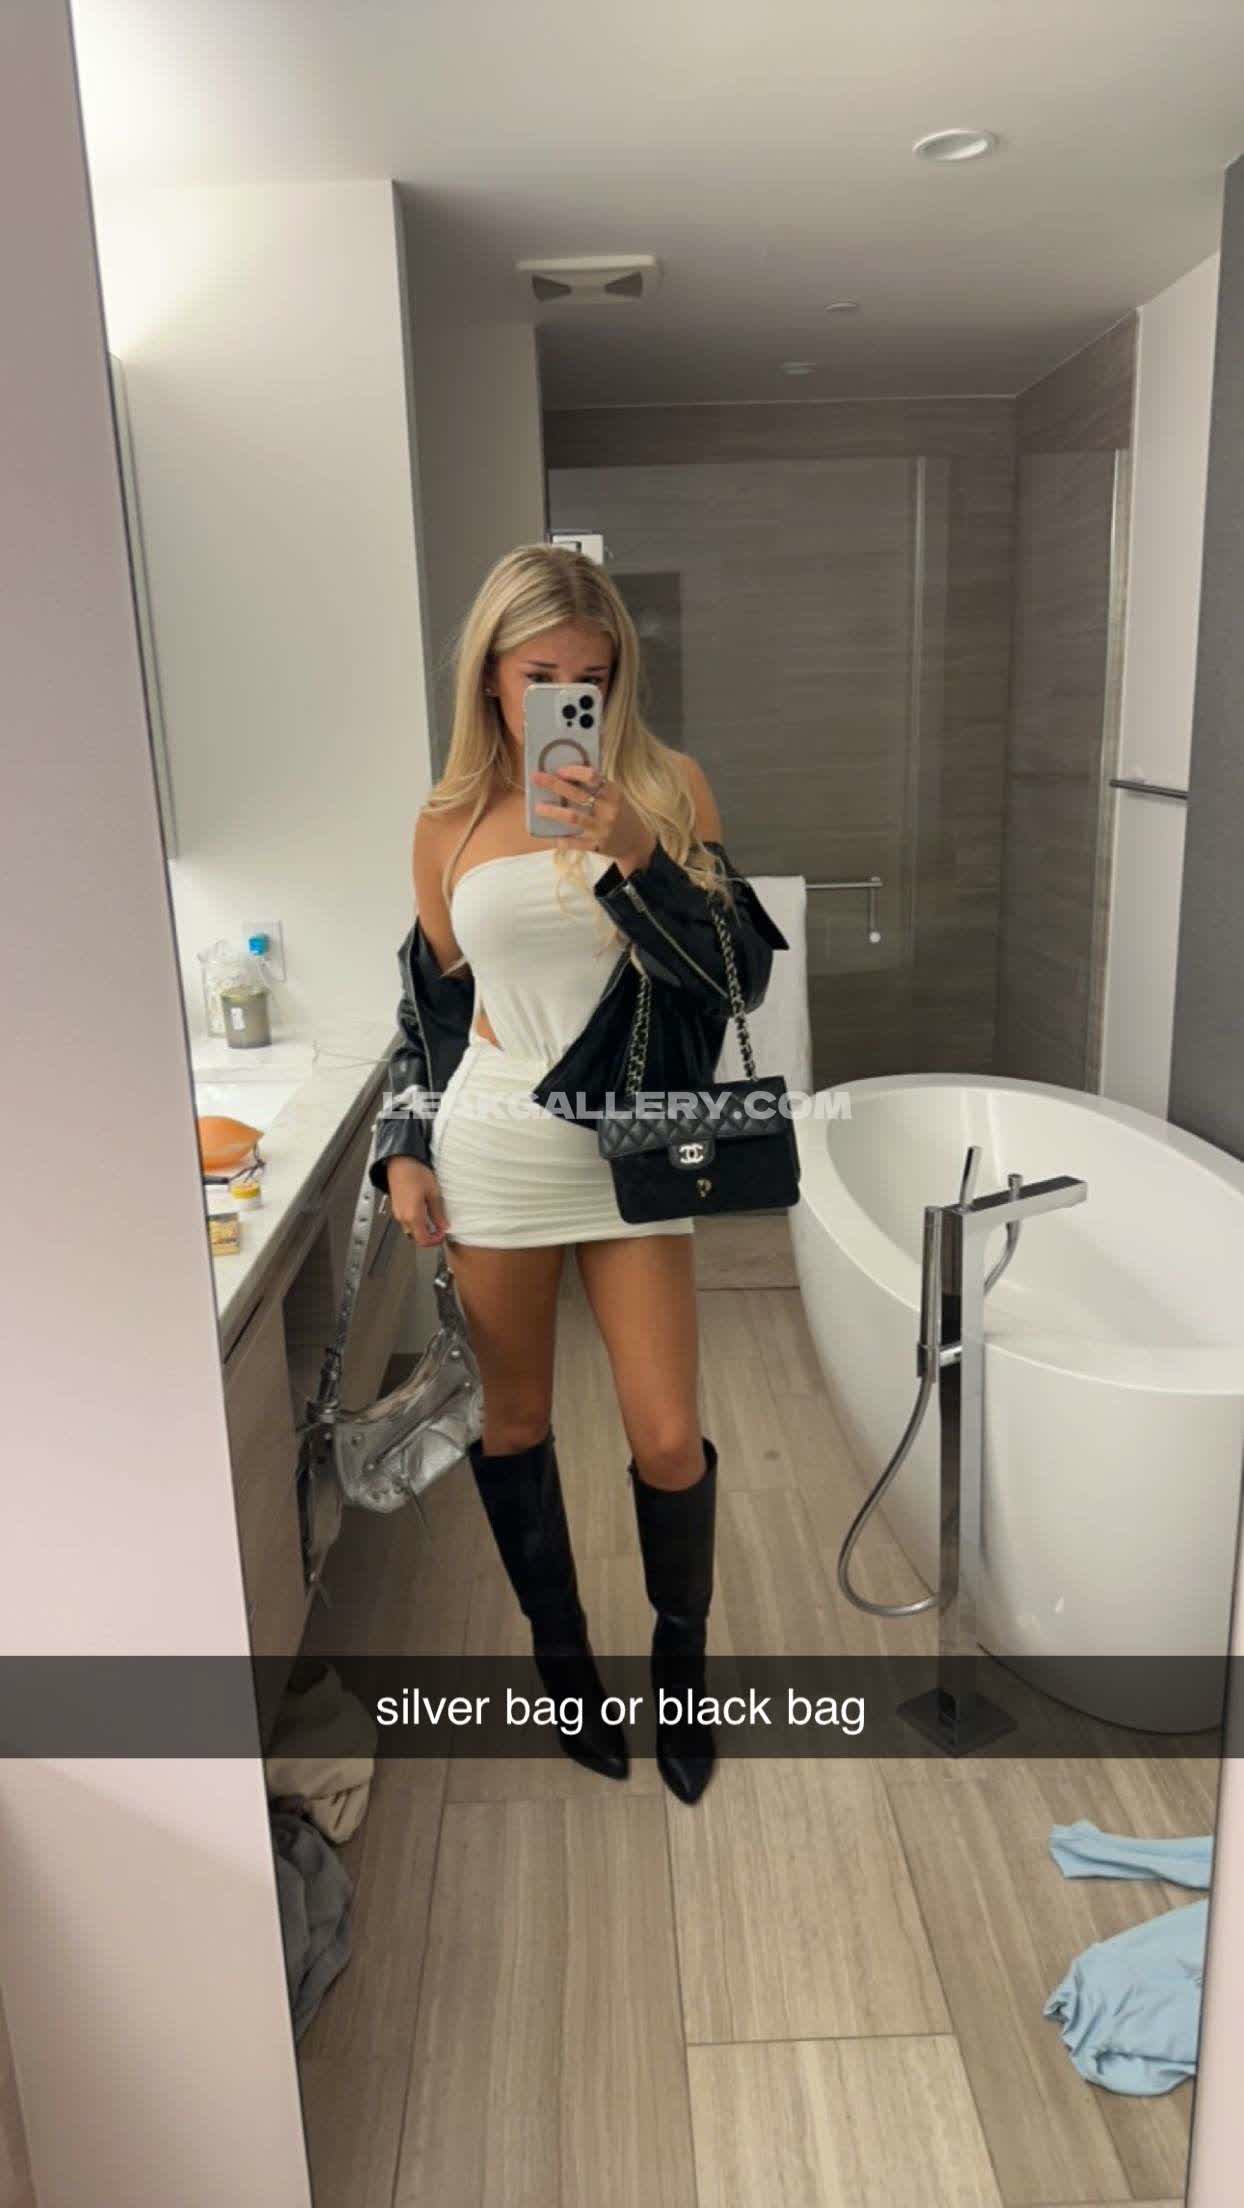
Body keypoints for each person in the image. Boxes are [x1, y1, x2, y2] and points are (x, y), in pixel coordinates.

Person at [369, 543, 787, 1804]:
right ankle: (564, 1665)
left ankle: (680, 1666)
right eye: (541, 674)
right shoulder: (444, 821)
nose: (570, 698)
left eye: (591, 679)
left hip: (634, 1145)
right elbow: (431, 1010)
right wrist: (403, 1146)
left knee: (665, 1437)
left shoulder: (666, 785)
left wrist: (639, 852)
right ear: (491, 679)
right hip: (496, 1146)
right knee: (514, 1423)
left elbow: (735, 979)